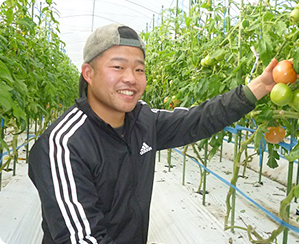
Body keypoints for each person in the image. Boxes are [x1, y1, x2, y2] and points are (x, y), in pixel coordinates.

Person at [28, 23, 280, 244]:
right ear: (88, 74)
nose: (131, 79)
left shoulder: (142, 120)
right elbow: (82, 239)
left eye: (139, 70)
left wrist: (258, 87)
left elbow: (196, 120)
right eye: (118, 67)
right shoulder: (63, 145)